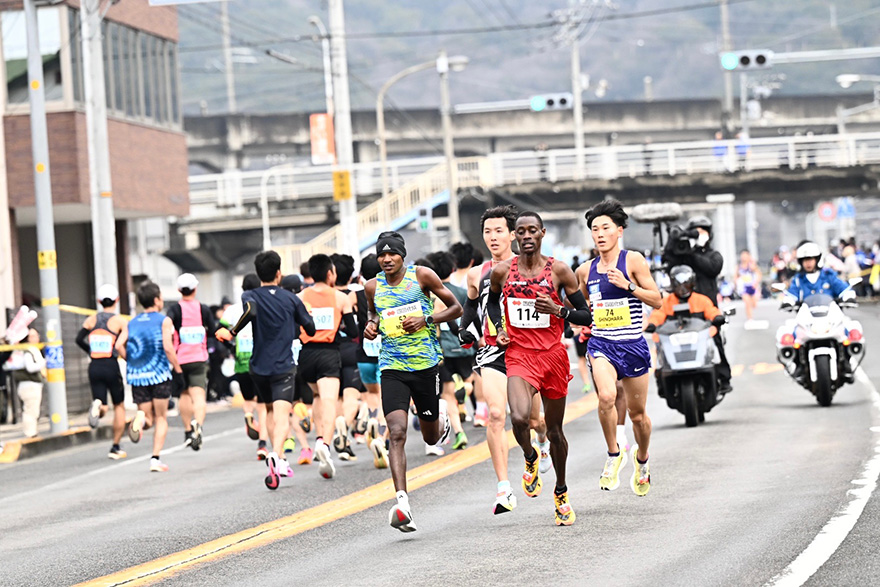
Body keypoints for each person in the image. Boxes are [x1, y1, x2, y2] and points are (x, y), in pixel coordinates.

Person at [486, 210, 594, 526]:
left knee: (557, 430)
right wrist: (499, 326)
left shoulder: (559, 271)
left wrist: (559, 309)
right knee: (519, 417)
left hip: (552, 356)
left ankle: (561, 490)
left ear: (542, 233)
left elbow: (586, 316)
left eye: (533, 230)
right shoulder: (502, 272)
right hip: (519, 354)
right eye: (521, 231)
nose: (527, 236)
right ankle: (531, 456)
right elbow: (493, 303)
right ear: (515, 236)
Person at [363, 231, 461, 532]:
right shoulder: (372, 286)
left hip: (426, 366)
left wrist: (427, 319)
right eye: (382, 255)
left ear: (402, 255)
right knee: (396, 432)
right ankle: (402, 502)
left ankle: (440, 414)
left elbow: (455, 307)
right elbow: (373, 313)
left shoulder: (422, 276)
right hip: (392, 366)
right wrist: (371, 324)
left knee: (430, 438)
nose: (386, 259)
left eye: (392, 254)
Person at [459, 205, 551, 515]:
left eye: (499, 231)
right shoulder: (477, 273)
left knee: (534, 420)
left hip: (527, 353)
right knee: (496, 414)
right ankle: (503, 488)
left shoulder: (530, 267)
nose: (493, 237)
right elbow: (471, 307)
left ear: (512, 234)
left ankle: (540, 444)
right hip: (494, 354)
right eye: (487, 231)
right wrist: (465, 332)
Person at [582, 199, 662, 497]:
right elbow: (579, 306)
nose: (600, 234)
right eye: (594, 229)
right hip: (602, 344)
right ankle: (614, 453)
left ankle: (642, 460)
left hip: (633, 345)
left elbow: (656, 300)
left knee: (638, 415)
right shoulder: (585, 270)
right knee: (606, 396)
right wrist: (578, 322)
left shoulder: (633, 261)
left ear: (619, 231)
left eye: (605, 228)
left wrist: (629, 286)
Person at [217, 250, 316, 486]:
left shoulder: (250, 294)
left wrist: (232, 332)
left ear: (258, 273)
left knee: (269, 411)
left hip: (259, 367)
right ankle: (278, 455)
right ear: (279, 273)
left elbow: (250, 310)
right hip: (283, 366)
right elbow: (310, 329)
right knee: (283, 414)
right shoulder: (291, 299)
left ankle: (276, 455)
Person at [297, 254, 358, 478]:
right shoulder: (341, 298)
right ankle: (324, 444)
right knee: (330, 400)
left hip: (306, 355)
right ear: (330, 274)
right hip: (329, 352)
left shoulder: (300, 297)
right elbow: (353, 332)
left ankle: (319, 438)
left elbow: (296, 328)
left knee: (316, 397)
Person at [115, 282, 185, 473]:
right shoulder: (164, 321)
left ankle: (138, 419)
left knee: (147, 418)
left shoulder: (132, 322)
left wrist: (131, 360)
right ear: (156, 300)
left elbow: (119, 345)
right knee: (161, 417)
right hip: (159, 375)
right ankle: (155, 459)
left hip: (138, 376)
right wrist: (178, 370)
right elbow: (168, 348)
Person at [662, 214, 731, 393]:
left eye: (702, 232)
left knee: (715, 341)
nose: (699, 235)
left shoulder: (713, 255)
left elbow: (712, 268)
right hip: (681, 310)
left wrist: (692, 253)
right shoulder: (682, 255)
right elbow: (668, 262)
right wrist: (673, 241)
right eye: (695, 232)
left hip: (706, 309)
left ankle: (723, 378)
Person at [645, 266, 726, 396]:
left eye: (686, 283)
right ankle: (663, 385)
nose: (682, 288)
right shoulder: (666, 302)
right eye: (678, 283)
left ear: (692, 282)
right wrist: (651, 324)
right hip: (673, 344)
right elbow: (657, 315)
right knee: (659, 361)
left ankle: (721, 379)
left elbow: (712, 311)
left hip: (699, 344)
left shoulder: (701, 300)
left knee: (717, 353)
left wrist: (717, 317)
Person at [220, 274, 271, 459]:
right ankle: (263, 445)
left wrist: (232, 347)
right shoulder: (264, 306)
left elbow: (220, 330)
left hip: (241, 360)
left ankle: (248, 416)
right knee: (263, 406)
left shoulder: (232, 310)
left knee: (248, 400)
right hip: (260, 358)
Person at [76, 284, 129, 459]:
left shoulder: (91, 320)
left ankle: (97, 406)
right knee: (119, 406)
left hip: (95, 365)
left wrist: (91, 350)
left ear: (99, 301)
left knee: (102, 404)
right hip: (111, 365)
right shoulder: (120, 321)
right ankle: (115, 446)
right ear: (117, 300)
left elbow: (78, 339)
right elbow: (123, 344)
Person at [427, 250, 472, 452]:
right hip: (461, 346)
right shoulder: (459, 293)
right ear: (452, 268)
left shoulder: (428, 295)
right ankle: (464, 389)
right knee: (470, 378)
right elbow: (468, 317)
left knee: (446, 394)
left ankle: (459, 431)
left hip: (440, 350)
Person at [166, 273, 215, 451]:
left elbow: (168, 327)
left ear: (179, 290)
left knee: (184, 395)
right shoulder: (203, 309)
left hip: (180, 359)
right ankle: (198, 426)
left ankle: (188, 431)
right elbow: (212, 331)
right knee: (199, 396)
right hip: (199, 358)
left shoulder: (174, 310)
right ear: (195, 288)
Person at [354, 254, 389, 469]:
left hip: (363, 355)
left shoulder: (354, 297)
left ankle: (371, 418)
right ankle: (380, 434)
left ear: (360, 276)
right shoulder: (386, 293)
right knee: (387, 398)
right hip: (385, 353)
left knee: (371, 396)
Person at [280, 274, 314, 465]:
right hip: (306, 354)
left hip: (286, 359)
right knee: (310, 402)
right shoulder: (304, 305)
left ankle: (305, 448)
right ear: (300, 288)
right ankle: (308, 418)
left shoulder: (279, 305)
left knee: (292, 406)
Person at [783, 241, 853, 304]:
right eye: (805, 260)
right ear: (801, 262)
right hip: (806, 316)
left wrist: (848, 297)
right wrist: (788, 301)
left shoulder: (828, 275)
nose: (808, 263)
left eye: (810, 259)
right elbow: (792, 294)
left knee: (848, 319)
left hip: (830, 316)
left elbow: (843, 288)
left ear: (817, 259)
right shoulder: (798, 279)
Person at [10, 329, 45, 438]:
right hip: (29, 385)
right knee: (30, 411)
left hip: (30, 385)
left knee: (33, 410)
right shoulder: (27, 351)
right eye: (32, 336)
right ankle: (30, 434)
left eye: (36, 335)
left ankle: (32, 432)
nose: (36, 338)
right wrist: (44, 362)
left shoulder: (30, 350)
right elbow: (30, 368)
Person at [735, 250, 762, 326]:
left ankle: (753, 314)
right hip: (744, 287)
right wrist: (736, 284)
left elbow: (759, 274)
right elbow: (736, 276)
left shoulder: (752, 265)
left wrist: (756, 283)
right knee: (747, 302)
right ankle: (750, 318)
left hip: (752, 285)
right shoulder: (739, 266)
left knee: (754, 304)